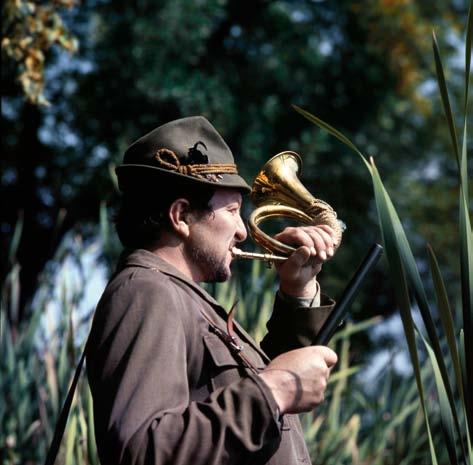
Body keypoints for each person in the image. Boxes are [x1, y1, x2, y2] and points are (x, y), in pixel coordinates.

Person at [86, 116, 339, 465]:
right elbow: (142, 451)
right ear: (181, 216)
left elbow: (257, 404)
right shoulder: (147, 292)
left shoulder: (179, 296)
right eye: (233, 211)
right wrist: (275, 388)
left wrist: (298, 290)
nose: (242, 232)